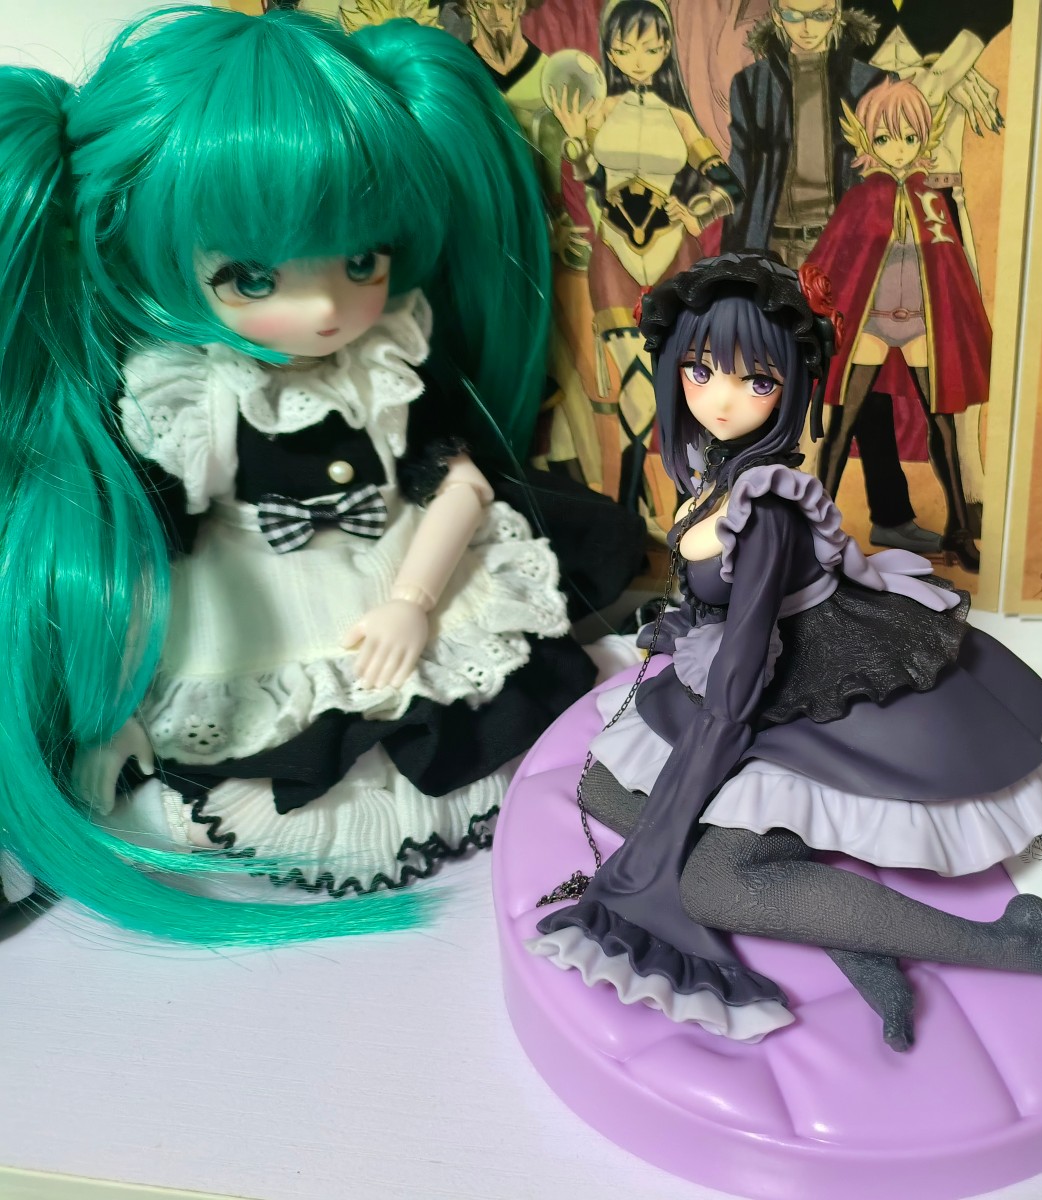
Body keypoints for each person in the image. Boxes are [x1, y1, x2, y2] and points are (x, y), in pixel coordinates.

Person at [0, 6, 636, 939]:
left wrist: (414, 601)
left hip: (394, 564)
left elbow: (462, 486)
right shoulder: (191, 394)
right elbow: (143, 553)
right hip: (252, 592)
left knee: (464, 703)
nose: (329, 308)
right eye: (252, 278)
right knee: (275, 740)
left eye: (361, 260)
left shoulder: (386, 361)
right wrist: (113, 708)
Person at [530, 254, 1042, 1049]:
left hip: (804, 681)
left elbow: (741, 681)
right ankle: (847, 930)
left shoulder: (767, 507)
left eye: (756, 381)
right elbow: (718, 606)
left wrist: (672, 821)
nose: (722, 399)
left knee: (712, 882)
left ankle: (1012, 940)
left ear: (791, 388)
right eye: (700, 371)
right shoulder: (714, 471)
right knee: (603, 789)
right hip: (741, 665)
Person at [723, 1, 942, 558]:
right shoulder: (752, 85)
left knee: (862, 383)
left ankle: (890, 515)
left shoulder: (870, 83)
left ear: (839, 14)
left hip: (847, 249)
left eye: (819, 14)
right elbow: (745, 179)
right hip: (777, 248)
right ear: (777, 15)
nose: (807, 28)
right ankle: (760, 517)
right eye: (794, 15)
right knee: (770, 382)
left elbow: (888, 170)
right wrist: (736, 266)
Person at [550, 0, 740, 534]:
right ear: (610, 51)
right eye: (627, 47)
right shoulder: (598, 112)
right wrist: (575, 137)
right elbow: (587, 174)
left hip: (673, 256)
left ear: (665, 51)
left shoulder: (678, 118)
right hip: (615, 255)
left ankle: (665, 510)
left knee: (670, 387)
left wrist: (697, 209)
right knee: (637, 389)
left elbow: (730, 184)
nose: (639, 58)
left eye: (651, 48)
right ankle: (639, 516)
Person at [807, 80, 989, 571]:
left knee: (942, 422)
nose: (900, 149)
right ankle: (815, 528)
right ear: (867, 141)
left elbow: (950, 268)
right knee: (842, 424)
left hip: (921, 326)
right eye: (886, 138)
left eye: (909, 137)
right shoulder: (861, 199)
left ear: (924, 138)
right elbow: (831, 261)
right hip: (871, 324)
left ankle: (958, 531)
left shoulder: (932, 199)